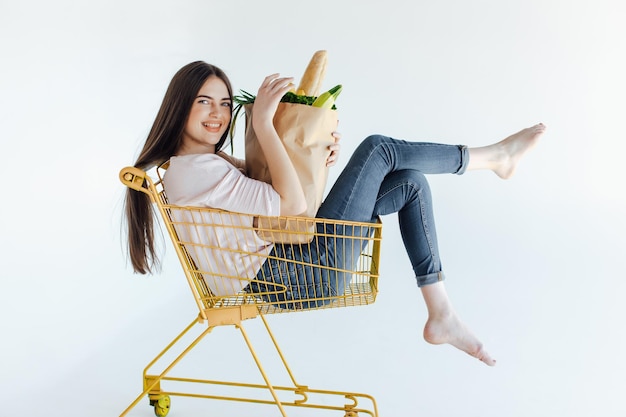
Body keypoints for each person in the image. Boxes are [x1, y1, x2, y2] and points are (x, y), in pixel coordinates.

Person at [124, 61, 546, 366]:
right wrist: (266, 127)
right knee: (378, 148)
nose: (217, 114)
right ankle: (493, 157)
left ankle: (441, 313)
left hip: (296, 263)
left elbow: (290, 205)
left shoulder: (208, 167)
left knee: (410, 183)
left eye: (223, 103)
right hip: (297, 272)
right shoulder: (193, 170)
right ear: (180, 107)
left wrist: (316, 164)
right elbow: (292, 208)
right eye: (204, 102)